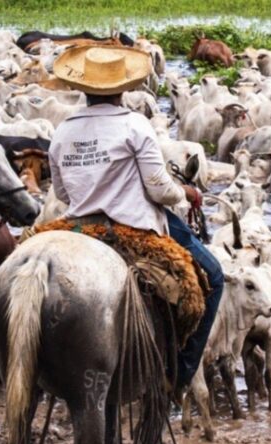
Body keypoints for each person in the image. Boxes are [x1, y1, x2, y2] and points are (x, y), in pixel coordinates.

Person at [49, 46, 224, 393]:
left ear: (83, 88)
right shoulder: (134, 123)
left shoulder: (63, 130)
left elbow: (62, 194)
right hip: (133, 227)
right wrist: (185, 194)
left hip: (78, 225)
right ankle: (178, 376)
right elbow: (159, 189)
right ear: (123, 88)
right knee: (214, 277)